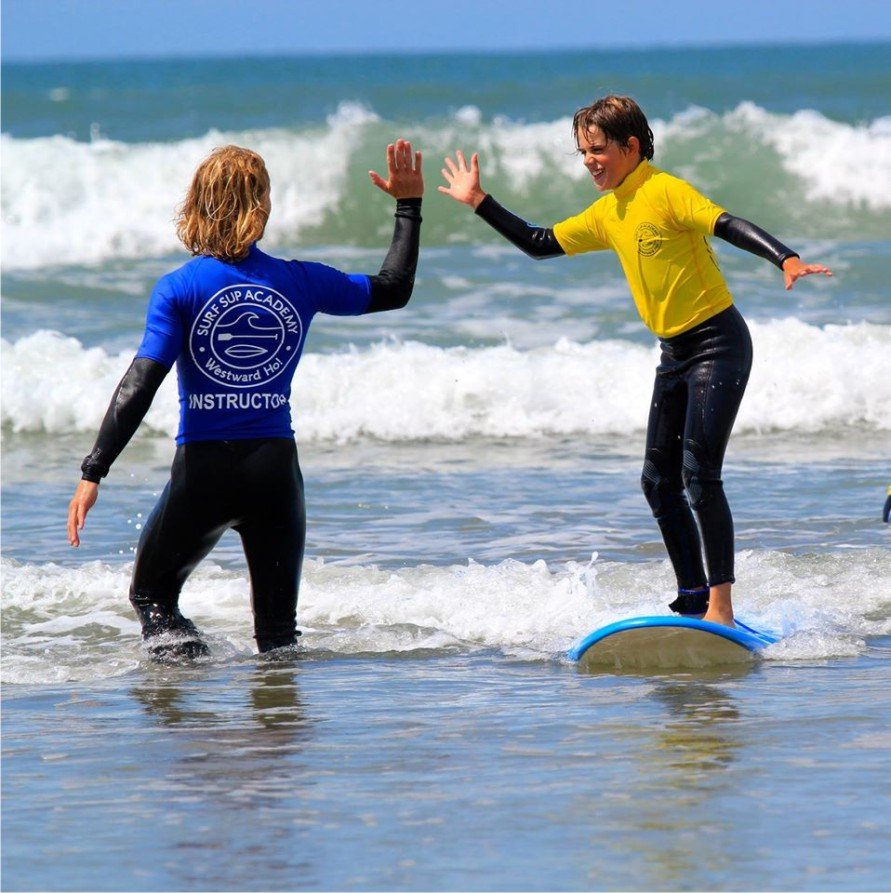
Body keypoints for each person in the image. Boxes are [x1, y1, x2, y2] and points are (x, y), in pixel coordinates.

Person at [438, 95, 832, 626]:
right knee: (657, 481)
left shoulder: (664, 191)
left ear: (630, 146)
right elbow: (539, 242)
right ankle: (692, 596)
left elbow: (725, 223)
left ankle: (721, 609)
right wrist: (479, 200)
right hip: (674, 353)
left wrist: (784, 257)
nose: (589, 161)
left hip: (718, 343)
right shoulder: (609, 212)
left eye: (597, 150)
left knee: (699, 475)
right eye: (583, 152)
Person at [67, 139, 424, 657]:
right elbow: (394, 288)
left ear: (197, 203)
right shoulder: (300, 280)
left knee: (152, 598)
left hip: (204, 472)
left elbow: (140, 382)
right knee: (278, 637)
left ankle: (183, 680)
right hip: (275, 474)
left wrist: (93, 471)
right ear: (261, 206)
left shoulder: (179, 288)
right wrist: (408, 205)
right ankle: (275, 708)